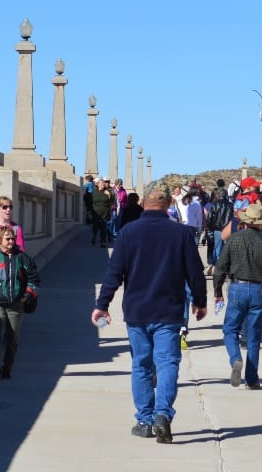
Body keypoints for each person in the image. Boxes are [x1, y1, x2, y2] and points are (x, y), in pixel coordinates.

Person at [92, 190, 207, 444]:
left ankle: (144, 421)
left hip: (137, 311)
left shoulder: (128, 233)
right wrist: (200, 302)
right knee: (167, 364)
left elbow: (114, 273)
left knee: (141, 366)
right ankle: (163, 414)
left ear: (144, 204)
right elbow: (195, 273)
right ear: (167, 205)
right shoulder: (181, 234)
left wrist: (102, 305)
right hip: (169, 311)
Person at [213, 202, 262, 390]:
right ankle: (251, 379)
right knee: (253, 336)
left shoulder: (234, 240)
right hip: (259, 291)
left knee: (230, 330)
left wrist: (218, 292)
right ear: (261, 223)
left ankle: (236, 358)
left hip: (237, 288)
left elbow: (220, 268)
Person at [0, 226, 40, 380]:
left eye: (12, 238)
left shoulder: (23, 258)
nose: (11, 241)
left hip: (16, 305)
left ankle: (7, 367)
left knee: (12, 338)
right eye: (7, 238)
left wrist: (26, 296)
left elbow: (34, 279)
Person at [205, 186, 233, 275]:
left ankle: (219, 269)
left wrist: (209, 229)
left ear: (218, 195)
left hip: (217, 230)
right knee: (227, 249)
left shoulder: (215, 205)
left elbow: (209, 218)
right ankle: (225, 268)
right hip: (228, 229)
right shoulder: (230, 205)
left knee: (218, 249)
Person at [90, 178, 114, 247]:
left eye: (103, 184)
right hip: (96, 212)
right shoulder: (94, 192)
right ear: (98, 185)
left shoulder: (108, 192)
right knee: (96, 226)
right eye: (101, 184)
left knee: (103, 227)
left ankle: (103, 241)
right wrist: (89, 211)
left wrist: (109, 195)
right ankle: (94, 236)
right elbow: (91, 202)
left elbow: (112, 202)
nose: (102, 185)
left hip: (105, 212)